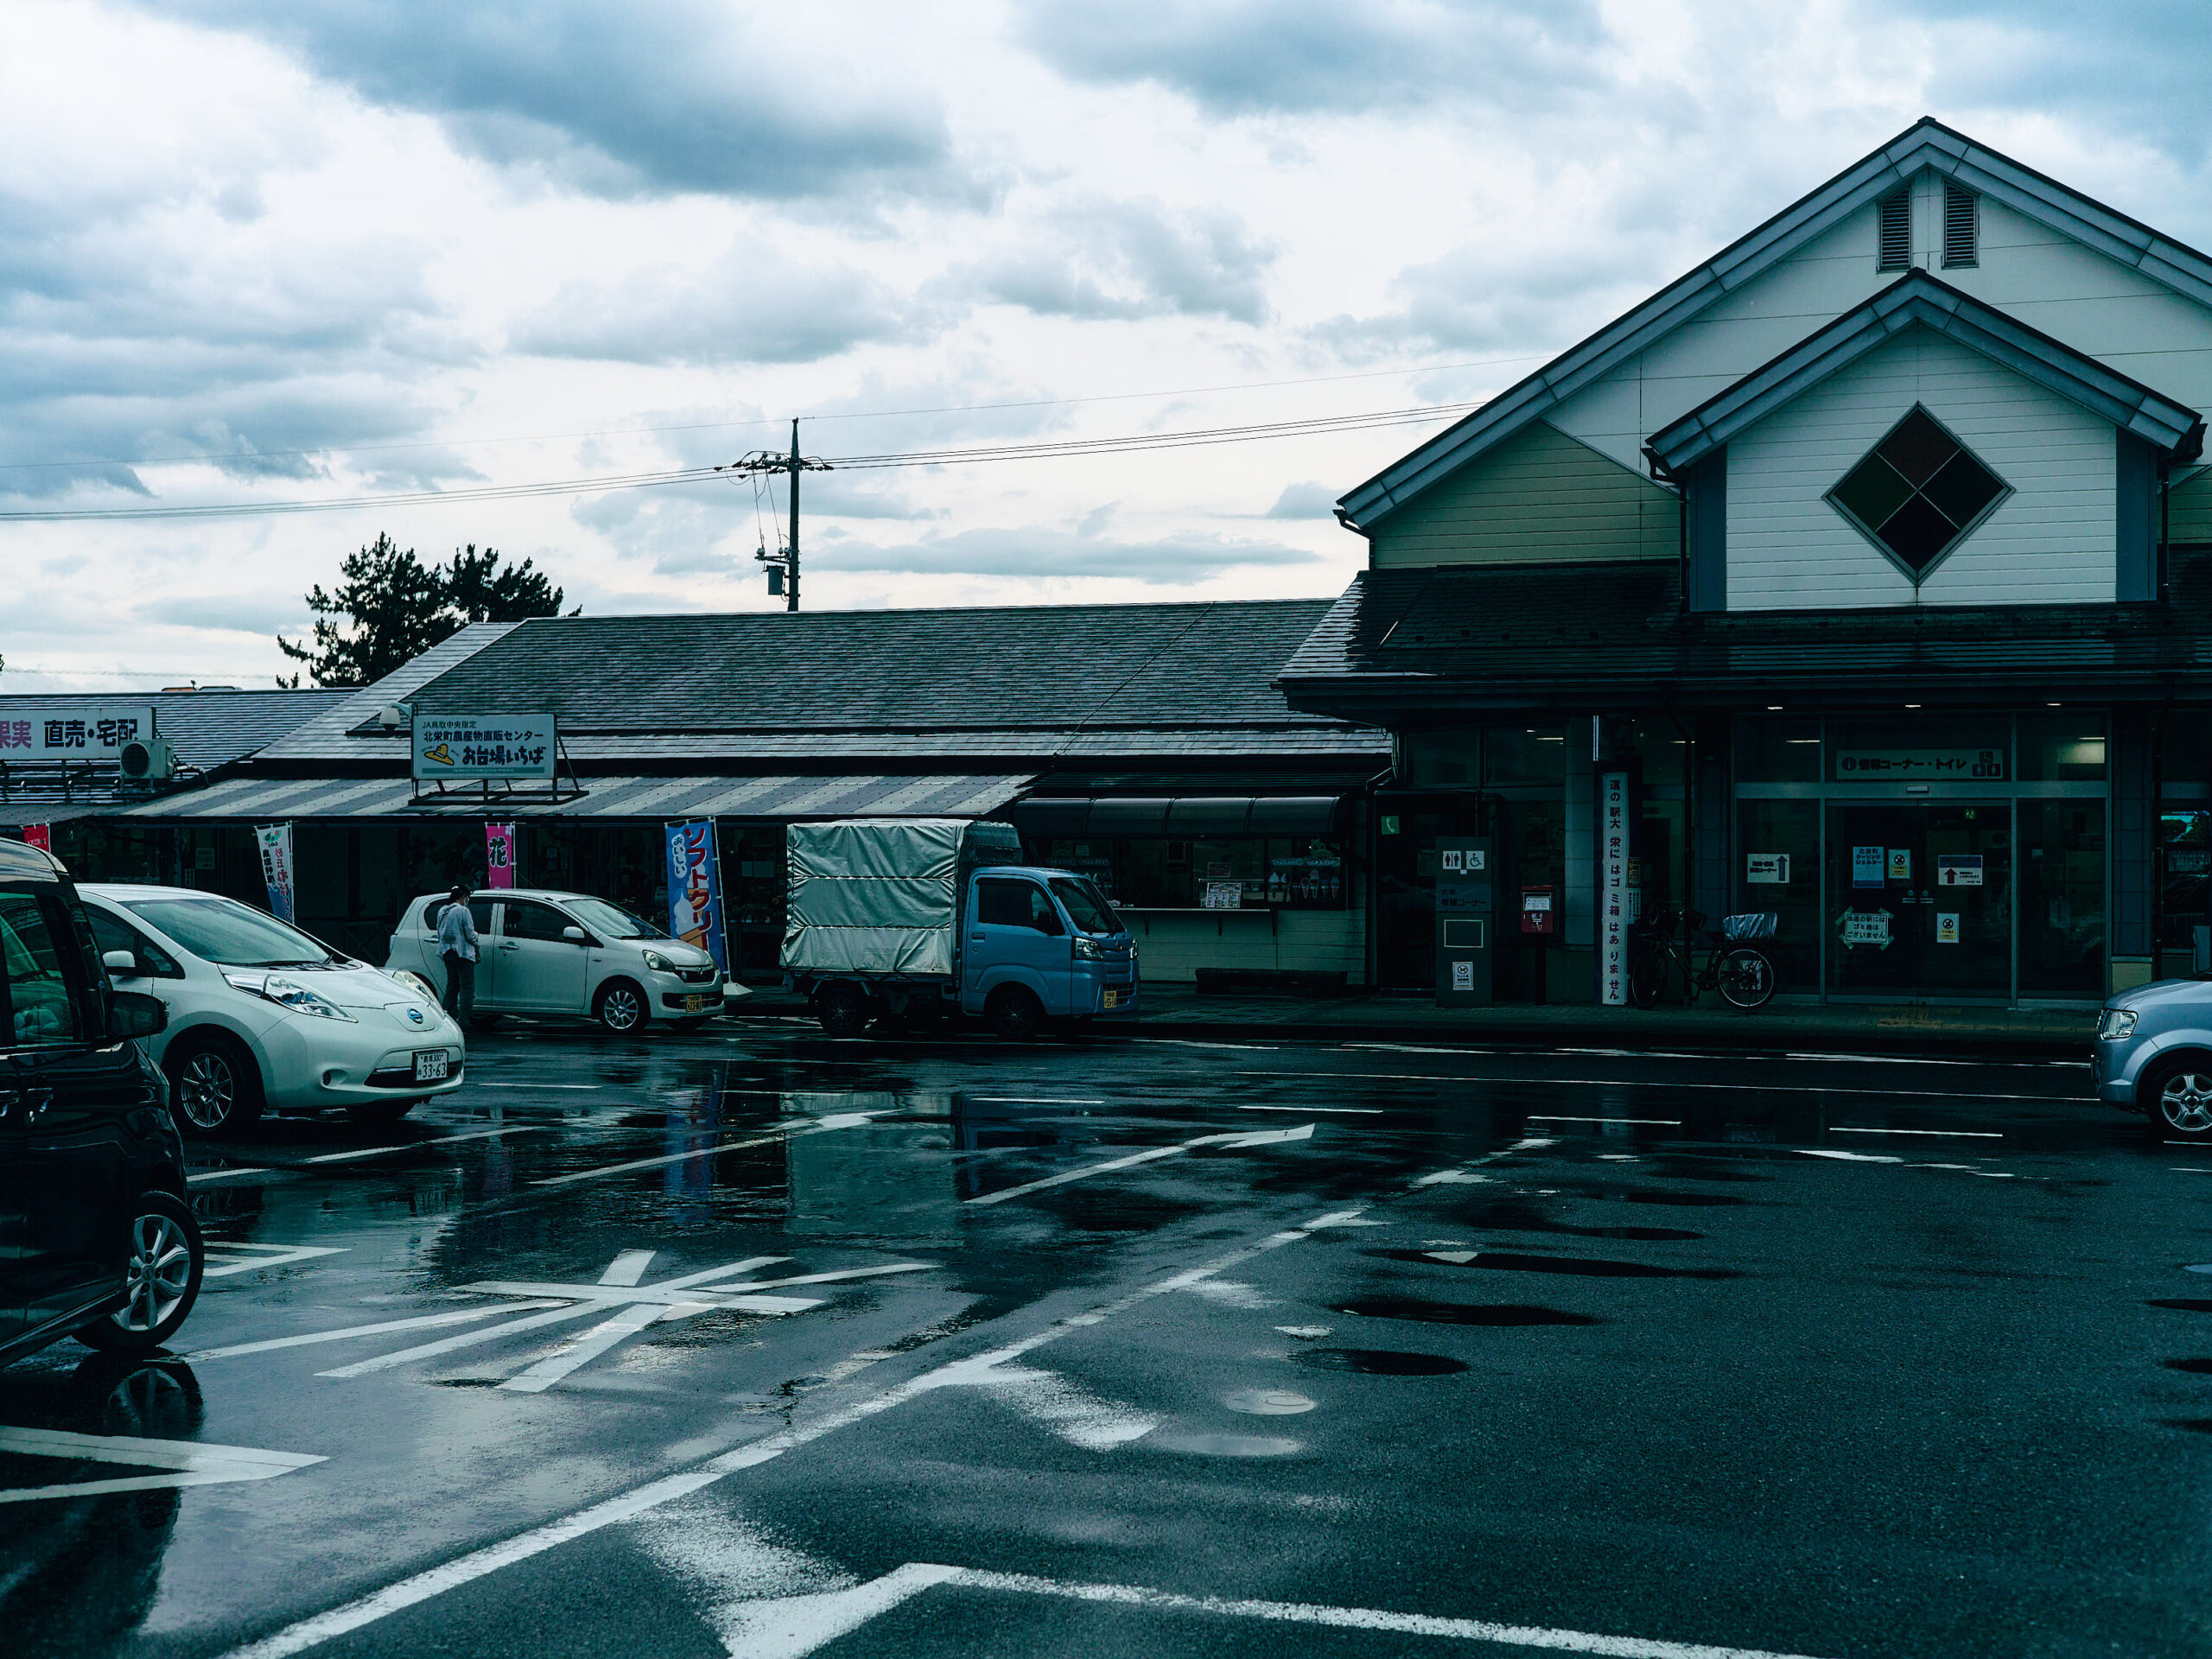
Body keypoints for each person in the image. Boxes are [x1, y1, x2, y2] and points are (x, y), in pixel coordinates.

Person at [435, 884, 479, 1026]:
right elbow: (470, 935)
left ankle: (448, 1019)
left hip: (448, 954)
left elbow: (440, 932)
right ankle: (464, 1021)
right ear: (463, 897)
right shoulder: (463, 911)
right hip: (463, 954)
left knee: (452, 987)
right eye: (467, 897)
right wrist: (477, 937)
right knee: (467, 989)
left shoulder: (443, 911)